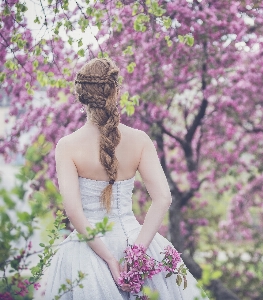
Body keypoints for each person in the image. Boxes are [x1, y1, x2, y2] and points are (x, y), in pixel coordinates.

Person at [44, 58, 208, 299]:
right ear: (116, 92)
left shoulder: (67, 146)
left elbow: (73, 211)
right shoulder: (140, 139)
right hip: (136, 240)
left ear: (80, 95)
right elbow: (163, 198)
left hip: (86, 253)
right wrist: (138, 252)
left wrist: (109, 259)